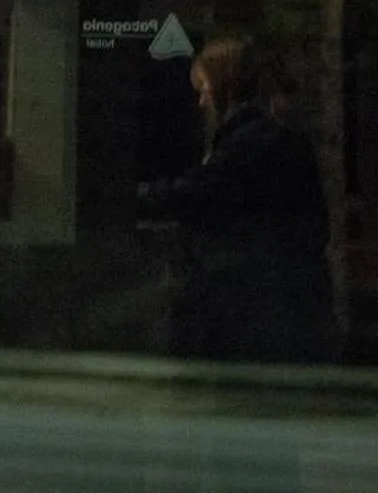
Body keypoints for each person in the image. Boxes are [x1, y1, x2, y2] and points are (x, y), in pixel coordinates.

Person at [137, 35, 333, 362]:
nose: (202, 103)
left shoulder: (249, 142)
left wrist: (135, 196)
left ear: (224, 86)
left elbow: (198, 191)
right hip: (286, 299)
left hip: (257, 303)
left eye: (204, 90)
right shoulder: (275, 136)